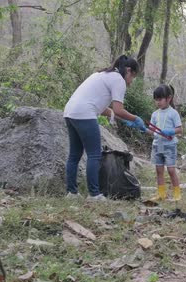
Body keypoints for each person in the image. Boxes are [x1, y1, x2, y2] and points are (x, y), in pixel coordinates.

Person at [63, 55, 147, 201]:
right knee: (94, 155)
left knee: (74, 155)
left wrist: (120, 118)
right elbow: (119, 109)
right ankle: (94, 194)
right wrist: (135, 118)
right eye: (133, 77)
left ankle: (72, 193)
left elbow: (103, 108)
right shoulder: (118, 80)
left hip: (70, 112)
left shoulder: (102, 75)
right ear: (128, 70)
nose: (131, 82)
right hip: (85, 113)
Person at [146, 84, 183, 201]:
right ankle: (161, 194)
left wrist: (171, 131)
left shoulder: (173, 113)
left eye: (160, 99)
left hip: (170, 146)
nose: (158, 102)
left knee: (171, 170)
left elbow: (180, 129)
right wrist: (142, 128)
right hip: (157, 146)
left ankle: (177, 194)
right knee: (159, 170)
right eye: (156, 99)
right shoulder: (154, 114)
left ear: (169, 98)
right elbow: (151, 131)